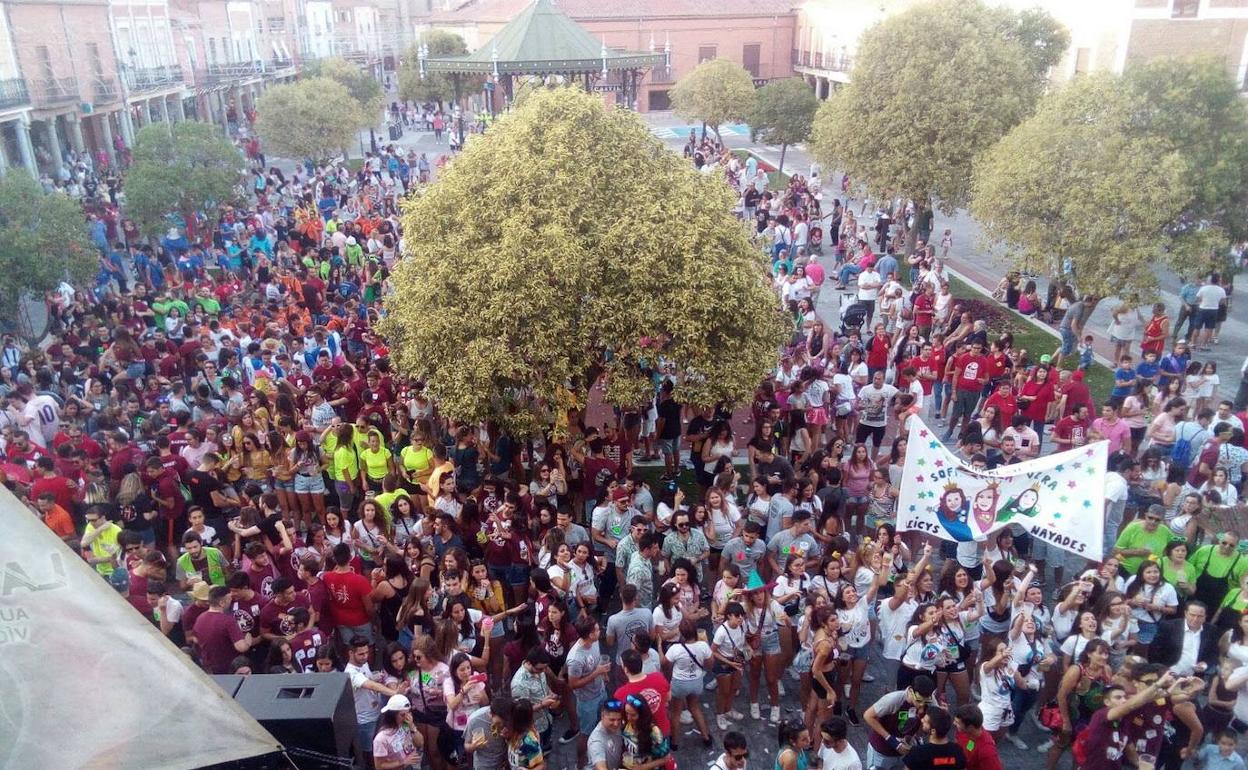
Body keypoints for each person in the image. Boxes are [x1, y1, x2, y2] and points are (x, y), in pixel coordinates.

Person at [862, 675, 938, 770]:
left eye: (926, 701)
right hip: (882, 752)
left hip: (904, 752)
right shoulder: (894, 699)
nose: (922, 704)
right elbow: (868, 716)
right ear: (910, 691)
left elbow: (936, 719)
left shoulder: (930, 700)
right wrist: (890, 739)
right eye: (919, 700)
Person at [901, 706, 965, 770]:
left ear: (933, 731)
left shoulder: (917, 753)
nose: (922, 720)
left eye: (925, 721)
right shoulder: (957, 751)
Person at [373, 694, 425, 770]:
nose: (407, 717)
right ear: (392, 715)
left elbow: (420, 743)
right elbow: (379, 766)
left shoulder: (406, 725)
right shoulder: (381, 738)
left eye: (408, 713)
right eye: (403, 715)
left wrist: (412, 727)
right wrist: (403, 762)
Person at [952, 704, 1001, 770]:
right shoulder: (964, 732)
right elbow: (968, 748)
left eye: (957, 722)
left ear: (970, 727)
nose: (954, 723)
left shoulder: (987, 751)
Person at [587, 698, 624, 770]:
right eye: (612, 720)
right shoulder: (596, 741)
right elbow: (601, 767)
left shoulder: (617, 726)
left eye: (619, 719)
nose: (616, 724)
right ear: (602, 716)